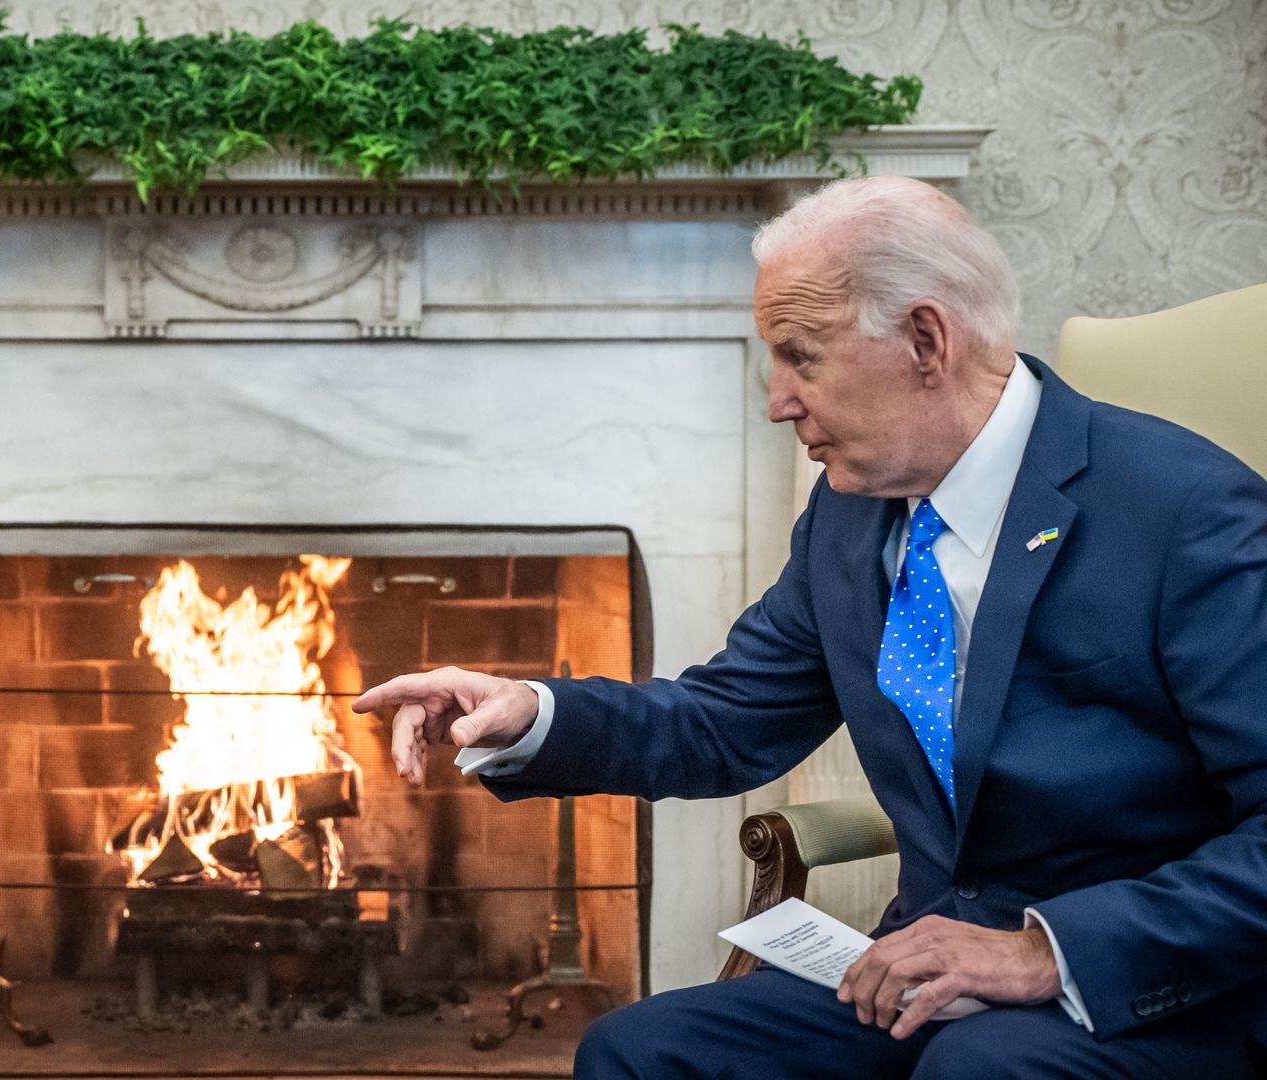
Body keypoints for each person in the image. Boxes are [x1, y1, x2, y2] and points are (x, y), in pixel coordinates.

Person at [353, 176, 1267, 1078]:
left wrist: (1040, 951)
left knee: (981, 1069)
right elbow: (723, 721)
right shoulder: (851, 513)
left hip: (1146, 986)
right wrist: (528, 711)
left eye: (801, 356)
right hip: (925, 974)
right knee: (639, 1050)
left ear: (925, 340)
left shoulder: (1189, 512)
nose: (777, 401)